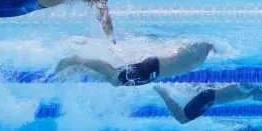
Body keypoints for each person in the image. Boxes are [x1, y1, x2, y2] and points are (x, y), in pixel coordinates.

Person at [54, 42, 214, 86]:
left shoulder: (196, 58)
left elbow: (181, 50)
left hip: (154, 70)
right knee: (114, 75)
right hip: (153, 70)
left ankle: (79, 69)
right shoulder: (199, 56)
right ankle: (75, 60)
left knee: (114, 80)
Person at [153, 82, 262, 126]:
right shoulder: (247, 89)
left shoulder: (249, 92)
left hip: (209, 98)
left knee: (185, 91)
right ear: (259, 90)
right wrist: (258, 88)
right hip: (208, 98)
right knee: (182, 119)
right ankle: (163, 91)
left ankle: (168, 88)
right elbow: (244, 83)